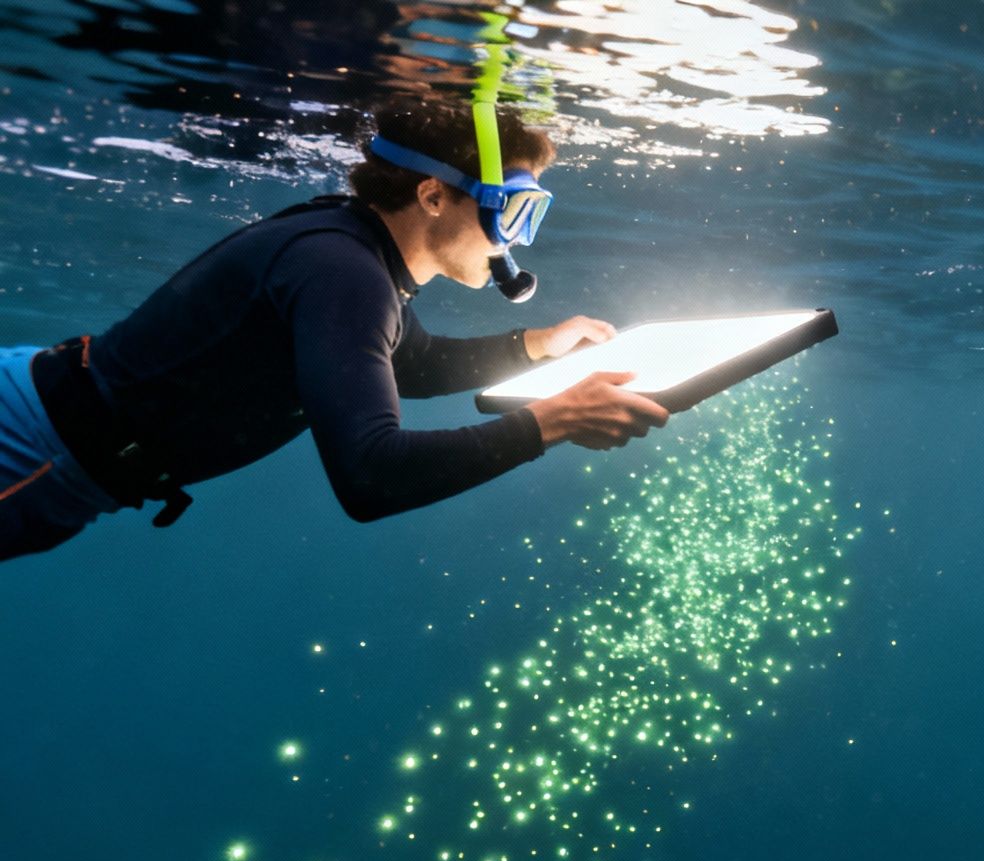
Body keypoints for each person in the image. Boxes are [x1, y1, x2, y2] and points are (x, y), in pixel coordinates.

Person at [0, 101, 670, 562]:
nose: (517, 240)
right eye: (514, 210)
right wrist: (550, 422)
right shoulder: (345, 275)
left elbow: (412, 361)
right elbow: (371, 475)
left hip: (48, 444)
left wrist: (536, 346)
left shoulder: (354, 251)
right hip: (27, 453)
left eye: (532, 213)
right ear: (433, 197)